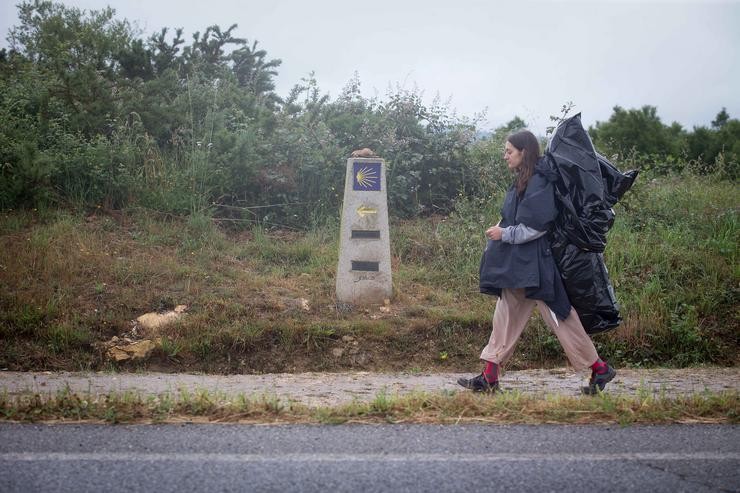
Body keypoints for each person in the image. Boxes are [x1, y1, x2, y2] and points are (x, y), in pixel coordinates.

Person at [457, 130, 616, 395]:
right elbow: (515, 216)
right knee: (505, 315)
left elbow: (537, 226)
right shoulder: (524, 179)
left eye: (509, 151)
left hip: (536, 267)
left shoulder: (540, 181)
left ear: (524, 152)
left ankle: (599, 368)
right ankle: (489, 376)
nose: (505, 156)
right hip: (519, 266)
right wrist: (500, 227)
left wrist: (504, 234)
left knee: (561, 318)